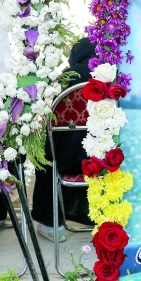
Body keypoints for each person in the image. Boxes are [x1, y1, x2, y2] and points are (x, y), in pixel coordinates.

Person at [32, 38, 94, 241]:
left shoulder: (68, 77)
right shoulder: (111, 75)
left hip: (68, 160)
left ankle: (52, 224)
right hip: (104, 158)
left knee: (46, 152)